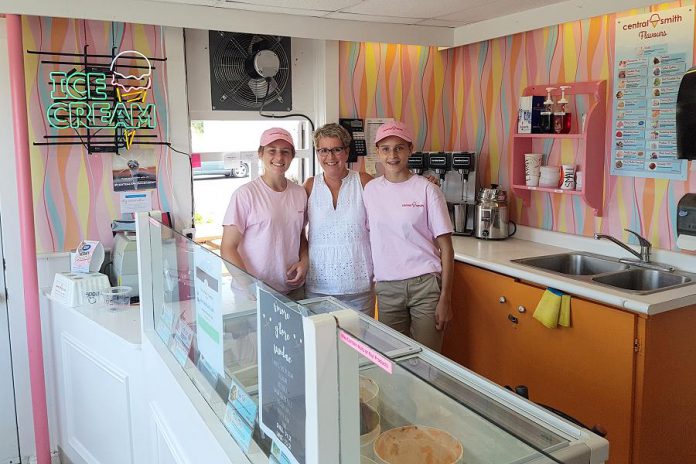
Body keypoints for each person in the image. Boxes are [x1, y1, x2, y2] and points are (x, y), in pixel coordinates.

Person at [363, 120, 454, 352]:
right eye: (385, 149)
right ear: (378, 153)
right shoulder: (370, 190)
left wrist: (445, 298)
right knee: (392, 360)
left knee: (428, 359)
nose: (392, 155)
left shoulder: (427, 190)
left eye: (399, 147)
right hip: (387, 288)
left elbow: (447, 248)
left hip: (425, 287)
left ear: (410, 150)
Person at [220, 127, 308, 299]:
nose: (279, 157)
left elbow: (300, 236)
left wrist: (304, 262)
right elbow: (227, 248)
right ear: (260, 154)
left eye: (285, 151)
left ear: (292, 156)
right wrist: (249, 287)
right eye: (271, 151)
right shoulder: (245, 194)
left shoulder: (299, 193)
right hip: (253, 295)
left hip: (293, 290)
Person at [304, 123, 375, 315]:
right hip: (318, 286)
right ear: (317, 153)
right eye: (323, 150)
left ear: (346, 151)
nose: (330, 157)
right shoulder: (310, 186)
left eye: (336, 149)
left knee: (360, 343)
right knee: (321, 343)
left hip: (359, 286)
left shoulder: (364, 181)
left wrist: (422, 183)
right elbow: (297, 231)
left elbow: (388, 217)